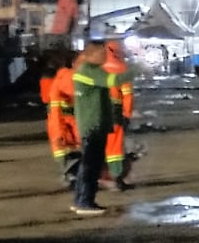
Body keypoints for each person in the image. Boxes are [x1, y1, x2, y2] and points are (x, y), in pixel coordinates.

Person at [71, 42, 117, 215]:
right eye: (102, 53)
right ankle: (85, 202)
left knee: (88, 164)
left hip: (92, 125)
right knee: (91, 165)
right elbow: (113, 80)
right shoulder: (90, 71)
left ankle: (80, 200)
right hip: (93, 125)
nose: (105, 57)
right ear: (92, 55)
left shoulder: (85, 70)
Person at [103, 42, 135, 188]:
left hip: (96, 111)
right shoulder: (121, 69)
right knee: (115, 146)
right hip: (114, 111)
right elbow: (127, 95)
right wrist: (127, 114)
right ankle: (117, 176)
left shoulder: (97, 67)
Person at [47, 55, 79, 172]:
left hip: (64, 118)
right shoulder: (69, 77)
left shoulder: (60, 79)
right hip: (66, 118)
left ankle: (66, 169)